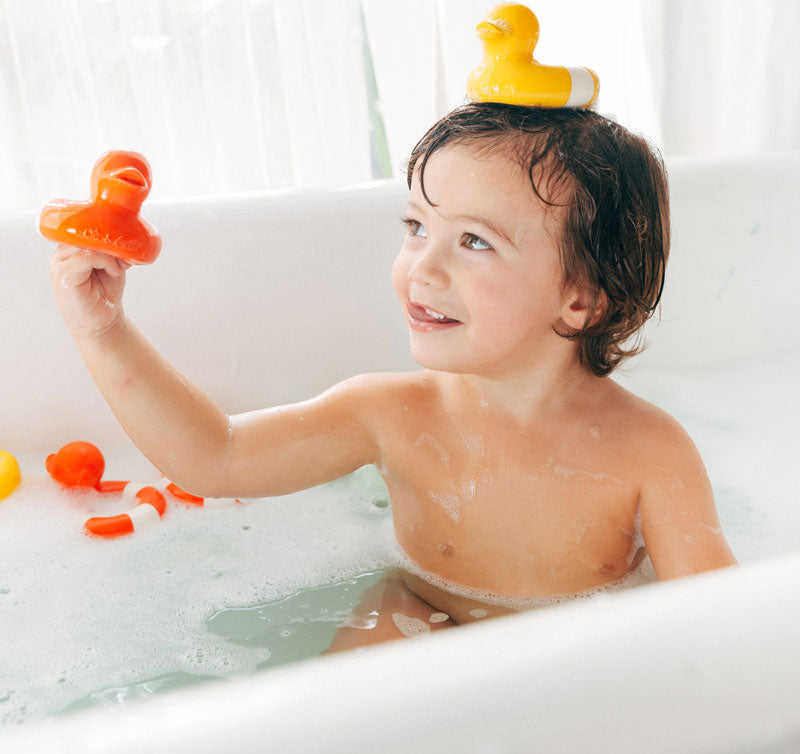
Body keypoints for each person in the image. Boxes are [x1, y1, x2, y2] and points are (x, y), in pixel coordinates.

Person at [48, 103, 736, 649]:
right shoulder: (390, 413)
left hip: (584, 646)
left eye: (474, 242)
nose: (421, 268)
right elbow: (215, 457)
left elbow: (722, 623)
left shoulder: (650, 451)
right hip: (420, 615)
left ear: (580, 298)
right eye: (416, 226)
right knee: (329, 746)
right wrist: (103, 330)